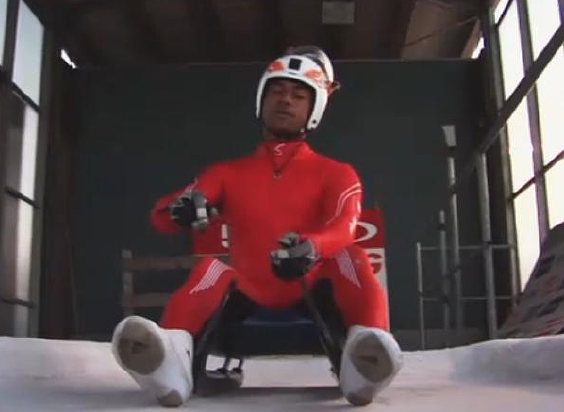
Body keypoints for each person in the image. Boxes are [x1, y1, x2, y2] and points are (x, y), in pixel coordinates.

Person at [111, 46, 403, 406]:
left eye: (298, 95)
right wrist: (183, 209)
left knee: (352, 257)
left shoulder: (337, 173)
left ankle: (367, 354)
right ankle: (169, 357)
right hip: (246, 292)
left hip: (313, 287)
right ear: (260, 101)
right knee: (212, 268)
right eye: (276, 91)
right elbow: (164, 215)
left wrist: (311, 248)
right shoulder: (226, 173)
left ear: (314, 109)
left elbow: (344, 227)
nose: (285, 100)